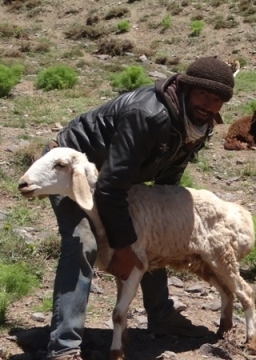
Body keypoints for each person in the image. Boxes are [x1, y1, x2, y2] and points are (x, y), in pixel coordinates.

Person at [44, 57, 235, 360]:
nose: (210, 105)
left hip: (119, 178)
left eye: (218, 101)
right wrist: (122, 249)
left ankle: (161, 315)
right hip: (73, 168)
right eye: (204, 95)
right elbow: (109, 187)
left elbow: (167, 178)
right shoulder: (147, 115)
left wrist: (163, 218)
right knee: (84, 242)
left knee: (151, 236)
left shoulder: (199, 125)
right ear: (186, 87)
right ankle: (63, 346)